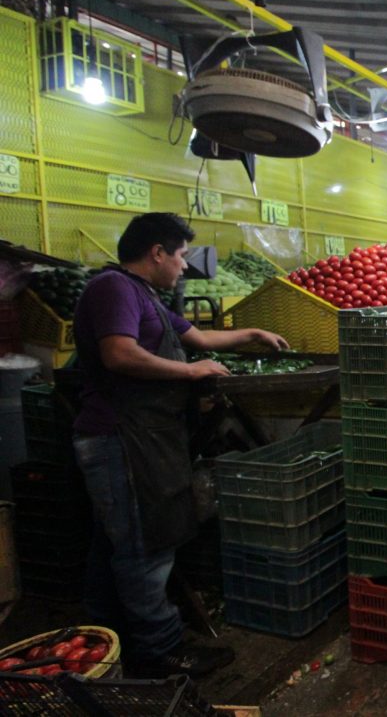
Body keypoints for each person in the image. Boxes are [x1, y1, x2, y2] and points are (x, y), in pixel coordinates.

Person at [72, 213, 289, 678]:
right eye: (182, 256)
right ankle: (160, 652)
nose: (185, 266)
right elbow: (119, 353)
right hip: (120, 438)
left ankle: (107, 642)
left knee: (120, 545)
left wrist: (252, 334)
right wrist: (192, 371)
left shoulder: (145, 295)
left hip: (142, 436)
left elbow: (198, 337)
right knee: (144, 548)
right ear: (157, 253)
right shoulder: (113, 288)